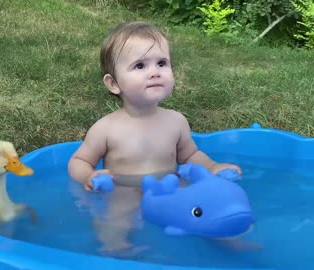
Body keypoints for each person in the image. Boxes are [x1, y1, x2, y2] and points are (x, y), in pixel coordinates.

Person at [68, 21, 241, 252]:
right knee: (115, 223)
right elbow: (79, 161)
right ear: (113, 83)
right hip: (124, 190)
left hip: (170, 185)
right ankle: (115, 251)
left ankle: (228, 241)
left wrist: (212, 166)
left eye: (162, 63)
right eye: (140, 66)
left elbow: (190, 155)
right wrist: (88, 176)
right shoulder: (106, 128)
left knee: (205, 208)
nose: (154, 72)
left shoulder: (176, 120)